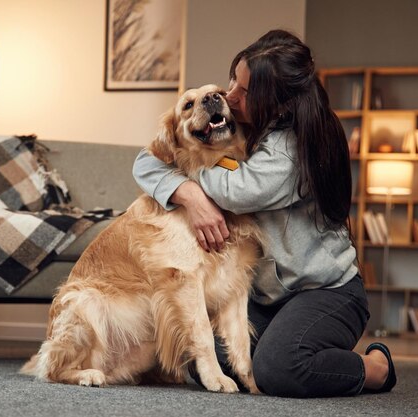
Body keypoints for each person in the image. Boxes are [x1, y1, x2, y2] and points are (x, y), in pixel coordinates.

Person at [132, 29, 396, 398]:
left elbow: (235, 191)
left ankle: (374, 367)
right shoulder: (240, 124)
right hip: (266, 297)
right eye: (232, 83)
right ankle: (302, 344)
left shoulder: (290, 150)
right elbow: (147, 160)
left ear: (279, 103)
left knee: (279, 368)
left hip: (325, 292)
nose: (229, 96)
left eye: (244, 91)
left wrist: (188, 169)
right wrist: (189, 196)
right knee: (201, 357)